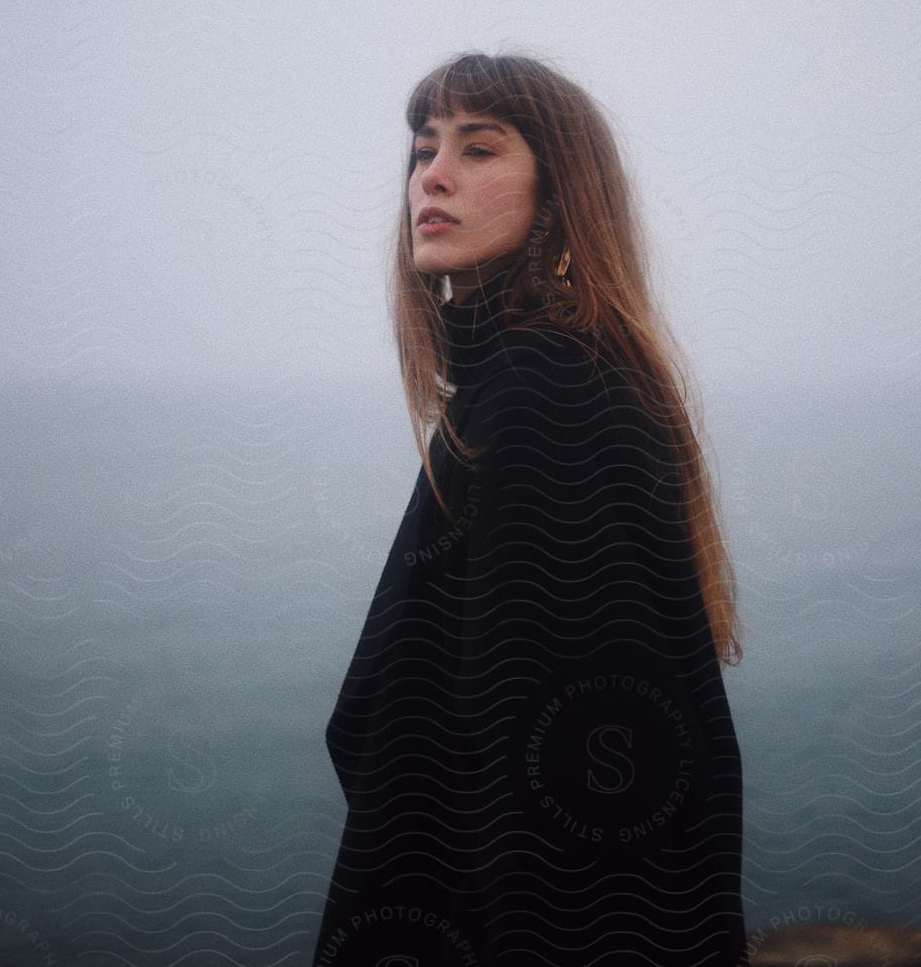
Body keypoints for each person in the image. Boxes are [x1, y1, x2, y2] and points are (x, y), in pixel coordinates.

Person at [313, 51, 748, 966]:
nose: (430, 174)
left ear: (557, 198)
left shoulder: (544, 384)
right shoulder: (524, 380)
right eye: (423, 150)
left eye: (479, 150)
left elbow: (580, 768)